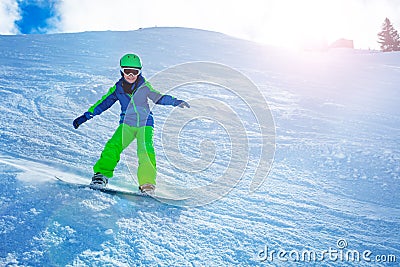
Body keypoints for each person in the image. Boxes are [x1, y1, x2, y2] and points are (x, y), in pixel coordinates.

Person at [72, 53, 190, 194]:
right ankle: (101, 176)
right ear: (122, 71)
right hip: (126, 124)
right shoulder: (117, 89)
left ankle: (147, 184)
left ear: (139, 72)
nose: (131, 75)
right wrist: (85, 116)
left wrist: (175, 101)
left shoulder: (145, 87)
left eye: (135, 72)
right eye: (128, 71)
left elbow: (158, 97)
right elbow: (103, 104)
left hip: (145, 124)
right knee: (113, 146)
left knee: (145, 150)